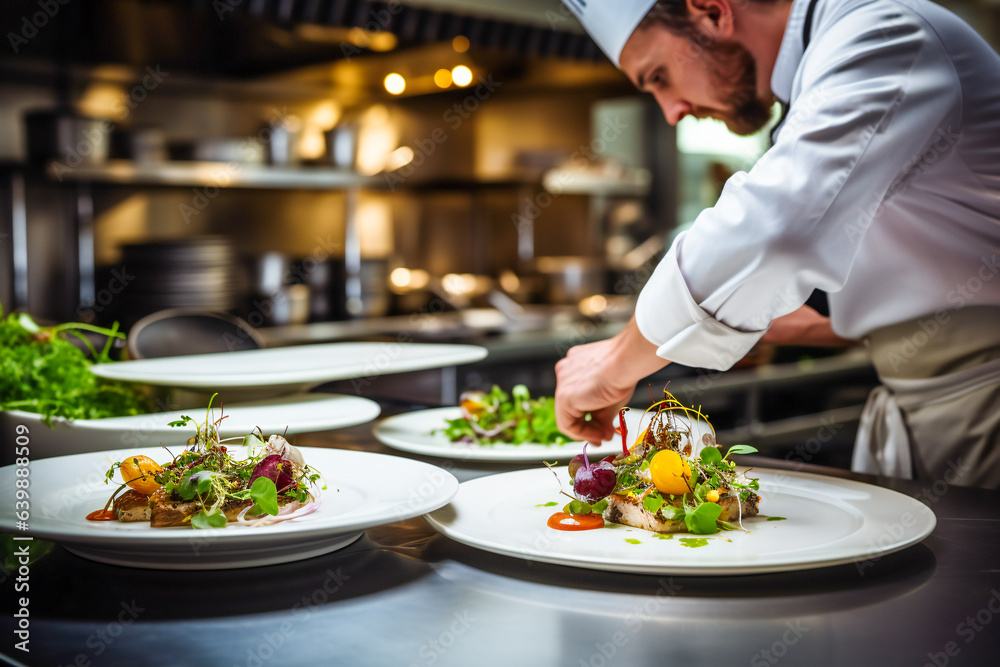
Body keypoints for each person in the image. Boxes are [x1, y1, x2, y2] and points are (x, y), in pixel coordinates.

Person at [554, 0, 1000, 487]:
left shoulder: (886, 33)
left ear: (710, 11)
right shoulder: (826, 64)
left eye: (659, 76)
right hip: (931, 401)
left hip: (983, 401)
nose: (672, 112)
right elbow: (916, 283)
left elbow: (773, 235)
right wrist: (735, 325)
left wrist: (619, 363)